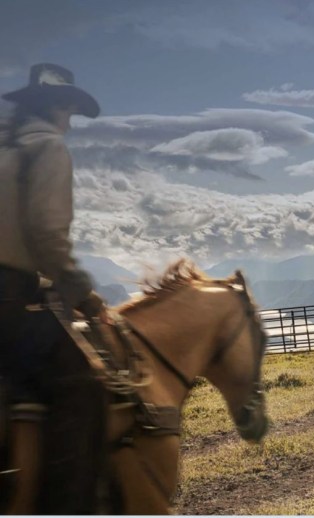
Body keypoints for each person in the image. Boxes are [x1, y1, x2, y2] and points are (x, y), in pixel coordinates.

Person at [0, 63, 107, 513]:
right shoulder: (47, 149)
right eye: (67, 108)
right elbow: (46, 235)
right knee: (86, 387)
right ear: (53, 107)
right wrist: (83, 294)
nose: (69, 120)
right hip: (8, 295)